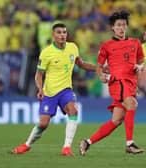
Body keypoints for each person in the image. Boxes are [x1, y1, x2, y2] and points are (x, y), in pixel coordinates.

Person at [12, 23, 99, 156]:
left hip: (66, 90)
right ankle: (27, 145)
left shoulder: (73, 47)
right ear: (53, 35)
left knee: (73, 110)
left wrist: (97, 68)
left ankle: (66, 147)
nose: (62, 35)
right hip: (50, 93)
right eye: (59, 32)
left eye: (64, 32)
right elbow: (38, 75)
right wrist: (40, 89)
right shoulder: (46, 53)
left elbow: (81, 64)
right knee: (43, 124)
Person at [79, 11, 145, 156]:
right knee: (133, 104)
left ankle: (87, 142)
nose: (122, 28)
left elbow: (140, 62)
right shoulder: (107, 46)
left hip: (130, 83)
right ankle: (130, 144)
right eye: (119, 25)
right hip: (117, 82)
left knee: (116, 120)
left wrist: (140, 69)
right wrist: (100, 75)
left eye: (124, 25)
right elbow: (99, 65)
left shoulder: (135, 43)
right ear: (113, 28)